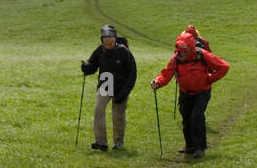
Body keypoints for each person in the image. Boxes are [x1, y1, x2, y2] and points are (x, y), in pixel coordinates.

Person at [150, 24, 229, 158]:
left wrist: (209, 79)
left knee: (197, 117)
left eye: (184, 51)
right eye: (178, 50)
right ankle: (190, 146)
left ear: (191, 48)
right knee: (186, 119)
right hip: (185, 92)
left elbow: (224, 67)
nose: (181, 54)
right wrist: (157, 82)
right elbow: (167, 73)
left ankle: (200, 148)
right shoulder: (175, 59)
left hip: (202, 92)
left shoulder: (202, 55)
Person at [81, 24, 136, 151]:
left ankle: (118, 142)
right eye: (105, 42)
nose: (108, 45)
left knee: (118, 115)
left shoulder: (123, 51)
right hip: (105, 83)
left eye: (110, 42)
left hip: (120, 87)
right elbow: (93, 65)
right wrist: (86, 67)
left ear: (115, 40)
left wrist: (124, 92)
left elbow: (132, 74)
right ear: (102, 41)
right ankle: (101, 142)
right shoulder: (100, 50)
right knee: (98, 110)